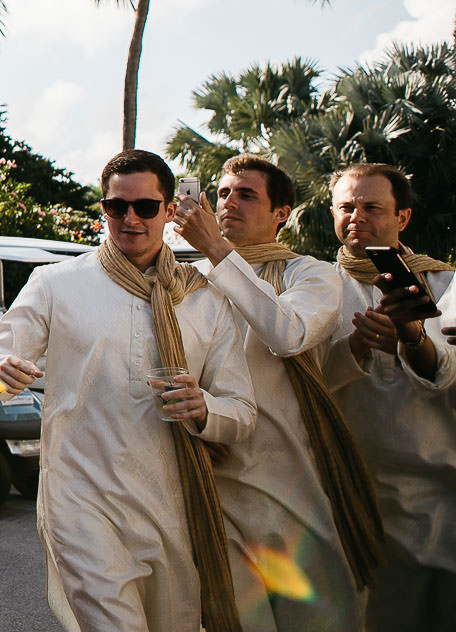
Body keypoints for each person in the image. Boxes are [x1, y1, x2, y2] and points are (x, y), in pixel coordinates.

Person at [0, 149, 256, 632]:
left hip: (172, 505)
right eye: (115, 206)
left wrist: (204, 407)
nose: (130, 218)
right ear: (103, 208)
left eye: (146, 207)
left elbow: (243, 412)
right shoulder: (57, 283)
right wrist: (3, 373)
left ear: (170, 210)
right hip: (81, 499)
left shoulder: (205, 298)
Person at [172, 155, 377, 631]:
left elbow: (287, 335)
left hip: (291, 484)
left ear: (281, 212)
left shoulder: (312, 274)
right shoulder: (186, 280)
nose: (229, 203)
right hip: (214, 482)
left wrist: (218, 251)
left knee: (322, 619)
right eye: (222, 193)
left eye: (246, 194)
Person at [321, 163, 456, 631]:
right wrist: (355, 347)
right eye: (346, 206)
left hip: (435, 493)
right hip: (346, 490)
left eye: (371, 206)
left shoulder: (445, 285)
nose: (356, 215)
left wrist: (412, 336)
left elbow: (446, 373)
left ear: (403, 218)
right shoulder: (315, 286)